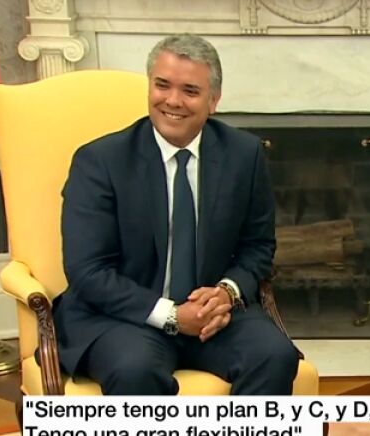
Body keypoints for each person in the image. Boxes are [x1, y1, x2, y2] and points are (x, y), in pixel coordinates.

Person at [54, 34, 299, 395]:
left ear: (214, 100)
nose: (172, 100)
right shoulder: (100, 161)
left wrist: (227, 293)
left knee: (274, 355)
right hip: (124, 318)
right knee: (135, 369)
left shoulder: (244, 155)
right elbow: (87, 271)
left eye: (190, 91)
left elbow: (258, 246)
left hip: (212, 317)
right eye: (162, 85)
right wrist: (171, 315)